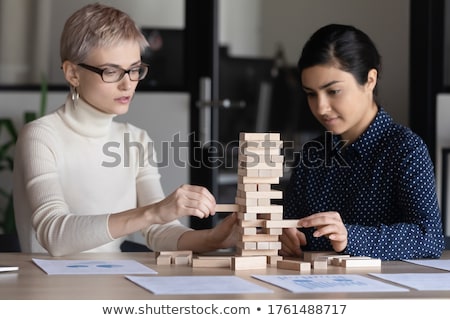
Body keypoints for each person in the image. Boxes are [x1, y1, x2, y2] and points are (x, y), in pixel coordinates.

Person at [13, 3, 238, 257]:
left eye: (134, 69)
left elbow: (159, 232)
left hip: (110, 281)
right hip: (48, 286)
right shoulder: (41, 136)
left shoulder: (135, 139)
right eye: (111, 71)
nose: (127, 84)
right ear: (73, 73)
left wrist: (213, 238)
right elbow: (54, 234)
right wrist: (154, 211)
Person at [279, 24, 444, 261]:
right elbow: (292, 227)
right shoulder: (312, 153)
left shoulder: (406, 149)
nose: (321, 107)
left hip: (383, 291)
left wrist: (349, 237)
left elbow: (429, 238)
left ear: (370, 80)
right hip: (314, 286)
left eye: (333, 91)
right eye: (311, 94)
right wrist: (286, 237)